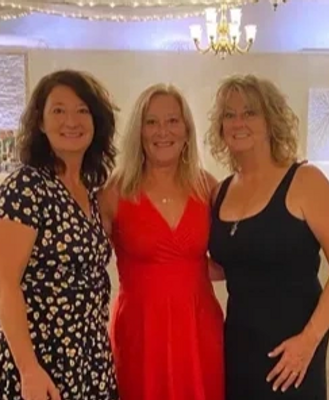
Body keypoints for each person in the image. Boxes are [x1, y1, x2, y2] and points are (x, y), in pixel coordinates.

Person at [207, 74, 329, 399]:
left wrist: (309, 340)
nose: (238, 122)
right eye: (229, 115)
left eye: (250, 112)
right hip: (238, 342)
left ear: (271, 120)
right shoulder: (220, 192)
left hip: (294, 345)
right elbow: (231, 264)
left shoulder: (305, 181)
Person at [0, 69, 119, 400]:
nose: (72, 121)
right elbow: (3, 282)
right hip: (37, 355)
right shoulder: (25, 187)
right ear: (40, 121)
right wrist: (28, 369)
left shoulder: (89, 191)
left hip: (86, 353)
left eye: (82, 110)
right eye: (59, 110)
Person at [99, 84, 224, 400]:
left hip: (198, 326)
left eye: (172, 121)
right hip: (141, 329)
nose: (162, 131)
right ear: (138, 131)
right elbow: (85, 260)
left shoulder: (208, 188)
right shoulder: (114, 192)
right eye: (151, 122)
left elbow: (235, 255)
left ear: (187, 130)